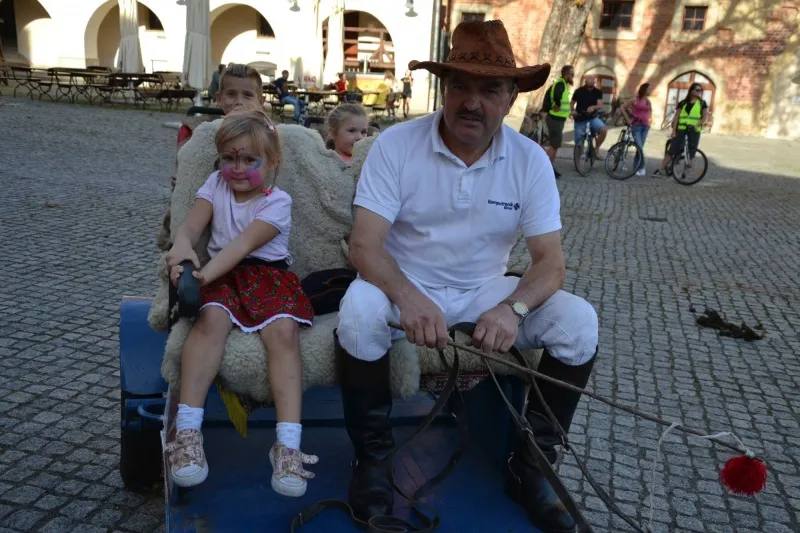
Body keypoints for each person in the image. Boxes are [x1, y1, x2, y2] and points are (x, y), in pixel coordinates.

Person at [334, 19, 598, 533]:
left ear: (511, 98)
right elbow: (364, 245)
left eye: (490, 90)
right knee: (359, 311)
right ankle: (372, 462)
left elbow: (550, 262)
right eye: (460, 86)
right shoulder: (397, 145)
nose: (472, 103)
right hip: (403, 285)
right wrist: (407, 297)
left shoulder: (529, 160)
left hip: (485, 292)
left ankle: (530, 468)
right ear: (444, 89)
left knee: (579, 322)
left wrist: (512, 308)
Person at [164, 110, 318, 497]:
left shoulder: (278, 201)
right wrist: (181, 245)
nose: (237, 168)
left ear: (272, 161)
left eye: (250, 160)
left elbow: (242, 245)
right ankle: (188, 433)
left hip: (264, 274)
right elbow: (192, 225)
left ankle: (288, 444)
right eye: (229, 158)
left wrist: (203, 276)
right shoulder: (215, 184)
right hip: (223, 276)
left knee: (283, 332)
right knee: (210, 321)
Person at [159, 64, 266, 250]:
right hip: (208, 224)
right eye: (231, 94)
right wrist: (183, 180)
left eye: (247, 95)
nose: (239, 101)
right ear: (219, 98)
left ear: (261, 100)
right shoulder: (200, 137)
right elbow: (188, 178)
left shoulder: (270, 138)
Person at [653, 82, 709, 176]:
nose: (699, 92)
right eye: (697, 90)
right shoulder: (683, 103)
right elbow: (676, 117)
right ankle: (660, 169)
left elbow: (704, 118)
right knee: (672, 150)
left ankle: (684, 173)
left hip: (694, 130)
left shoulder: (702, 103)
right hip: (681, 129)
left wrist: (696, 125)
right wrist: (674, 130)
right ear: (691, 91)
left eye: (700, 90)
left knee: (690, 152)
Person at [543, 65, 574, 178]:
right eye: (571, 73)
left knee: (555, 145)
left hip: (558, 119)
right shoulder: (560, 84)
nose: (573, 76)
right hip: (555, 119)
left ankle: (550, 167)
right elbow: (556, 95)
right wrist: (555, 105)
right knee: (554, 145)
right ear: (566, 74)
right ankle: (543, 168)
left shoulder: (562, 83)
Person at [571, 75, 608, 159]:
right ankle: (578, 162)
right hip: (580, 118)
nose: (589, 88)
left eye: (591, 86)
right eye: (588, 86)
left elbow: (600, 105)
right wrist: (572, 110)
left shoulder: (597, 92)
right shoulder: (578, 91)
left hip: (592, 118)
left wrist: (593, 107)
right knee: (579, 143)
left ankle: (596, 149)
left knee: (604, 129)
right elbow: (572, 103)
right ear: (585, 83)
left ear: (594, 83)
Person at [622, 82, 653, 176]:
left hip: (645, 127)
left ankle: (636, 167)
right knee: (639, 146)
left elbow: (650, 111)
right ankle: (642, 167)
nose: (650, 90)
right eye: (649, 89)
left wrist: (650, 120)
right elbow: (622, 107)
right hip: (636, 126)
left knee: (640, 148)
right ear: (644, 90)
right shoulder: (635, 99)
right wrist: (628, 119)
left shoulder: (648, 101)